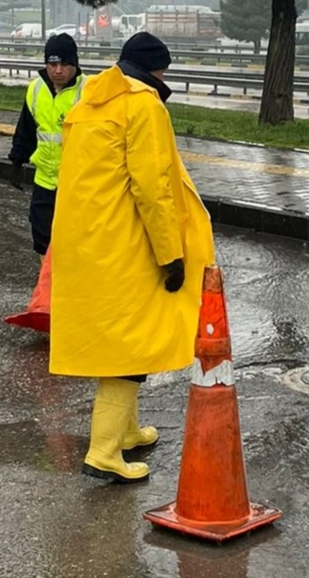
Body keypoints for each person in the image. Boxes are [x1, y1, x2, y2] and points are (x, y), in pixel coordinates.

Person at [49, 31, 215, 482]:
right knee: (129, 347)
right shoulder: (144, 105)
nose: (165, 77)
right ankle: (104, 451)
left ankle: (125, 432)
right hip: (127, 241)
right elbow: (153, 186)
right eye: (164, 69)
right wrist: (171, 253)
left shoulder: (91, 102)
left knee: (122, 338)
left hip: (88, 241)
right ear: (154, 68)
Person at [8, 33, 86, 256]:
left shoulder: (88, 91)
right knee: (42, 240)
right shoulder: (36, 89)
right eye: (53, 64)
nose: (58, 70)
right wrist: (16, 162)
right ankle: (47, 288)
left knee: (73, 243)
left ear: (75, 64)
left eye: (64, 64)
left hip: (76, 184)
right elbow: (26, 130)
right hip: (45, 180)